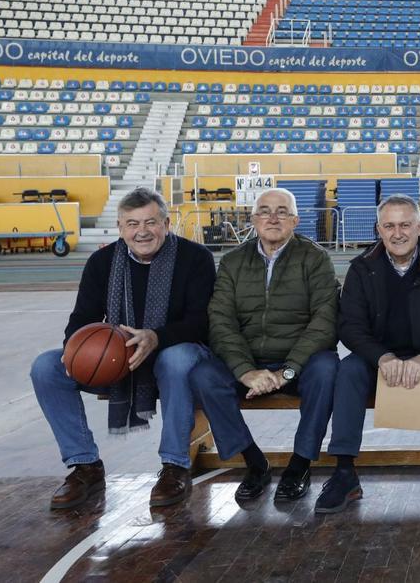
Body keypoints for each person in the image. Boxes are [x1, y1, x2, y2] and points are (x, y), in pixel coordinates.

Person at [30, 187, 215, 509]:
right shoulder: (102, 262)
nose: (142, 231)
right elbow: (82, 320)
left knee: (176, 359)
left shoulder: (195, 258)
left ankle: (175, 465)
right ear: (120, 228)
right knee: (46, 367)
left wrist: (154, 337)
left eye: (150, 222)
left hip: (174, 355)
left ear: (167, 223)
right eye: (132, 224)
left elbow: (202, 322)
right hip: (119, 359)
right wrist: (77, 352)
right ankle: (84, 465)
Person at [314, 194, 420, 513]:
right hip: (381, 359)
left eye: (405, 224)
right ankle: (344, 472)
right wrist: (382, 358)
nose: (398, 233)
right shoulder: (361, 269)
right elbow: (350, 327)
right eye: (389, 226)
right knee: (349, 369)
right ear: (379, 229)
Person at [189, 187, 340, 504]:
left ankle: (299, 465)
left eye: (282, 211)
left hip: (299, 362)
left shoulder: (315, 259)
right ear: (253, 219)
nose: (273, 217)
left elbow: (325, 322)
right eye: (265, 211)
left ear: (295, 220)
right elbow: (220, 320)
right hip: (249, 362)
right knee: (203, 375)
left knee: (328, 368)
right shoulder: (232, 262)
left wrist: (287, 371)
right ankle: (254, 462)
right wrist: (244, 371)